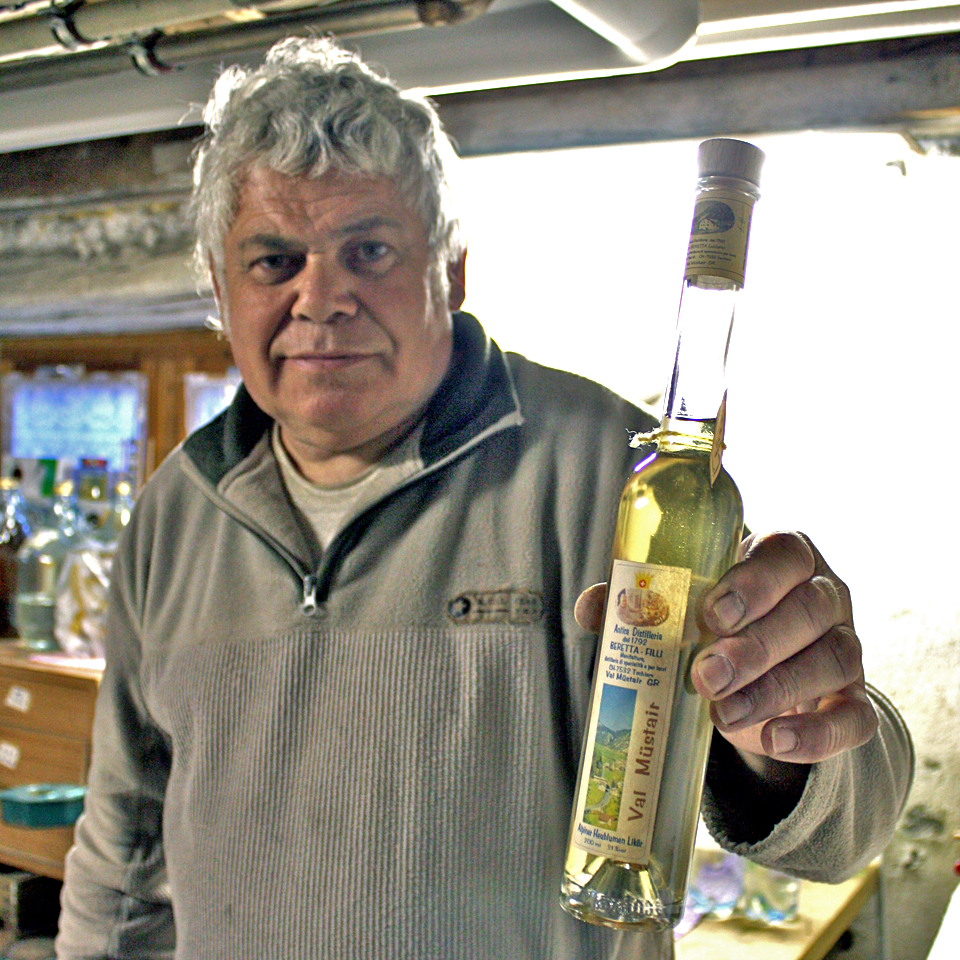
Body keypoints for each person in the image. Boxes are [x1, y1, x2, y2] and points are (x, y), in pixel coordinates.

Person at [56, 36, 912, 960]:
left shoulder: (612, 473)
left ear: (452, 270)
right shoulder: (174, 516)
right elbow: (122, 854)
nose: (322, 298)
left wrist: (788, 734)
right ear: (221, 289)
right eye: (274, 262)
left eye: (369, 250)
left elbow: (847, 827)